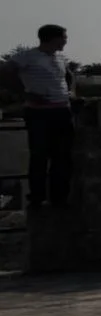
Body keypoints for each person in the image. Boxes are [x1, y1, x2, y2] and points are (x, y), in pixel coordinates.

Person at [6, 24, 76, 210]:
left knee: (62, 156)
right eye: (64, 37)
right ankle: (37, 197)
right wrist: (25, 94)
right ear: (52, 38)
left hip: (61, 110)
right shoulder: (28, 56)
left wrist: (70, 91)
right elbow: (5, 71)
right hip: (39, 112)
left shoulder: (60, 57)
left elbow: (68, 75)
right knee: (40, 155)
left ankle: (59, 197)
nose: (66, 41)